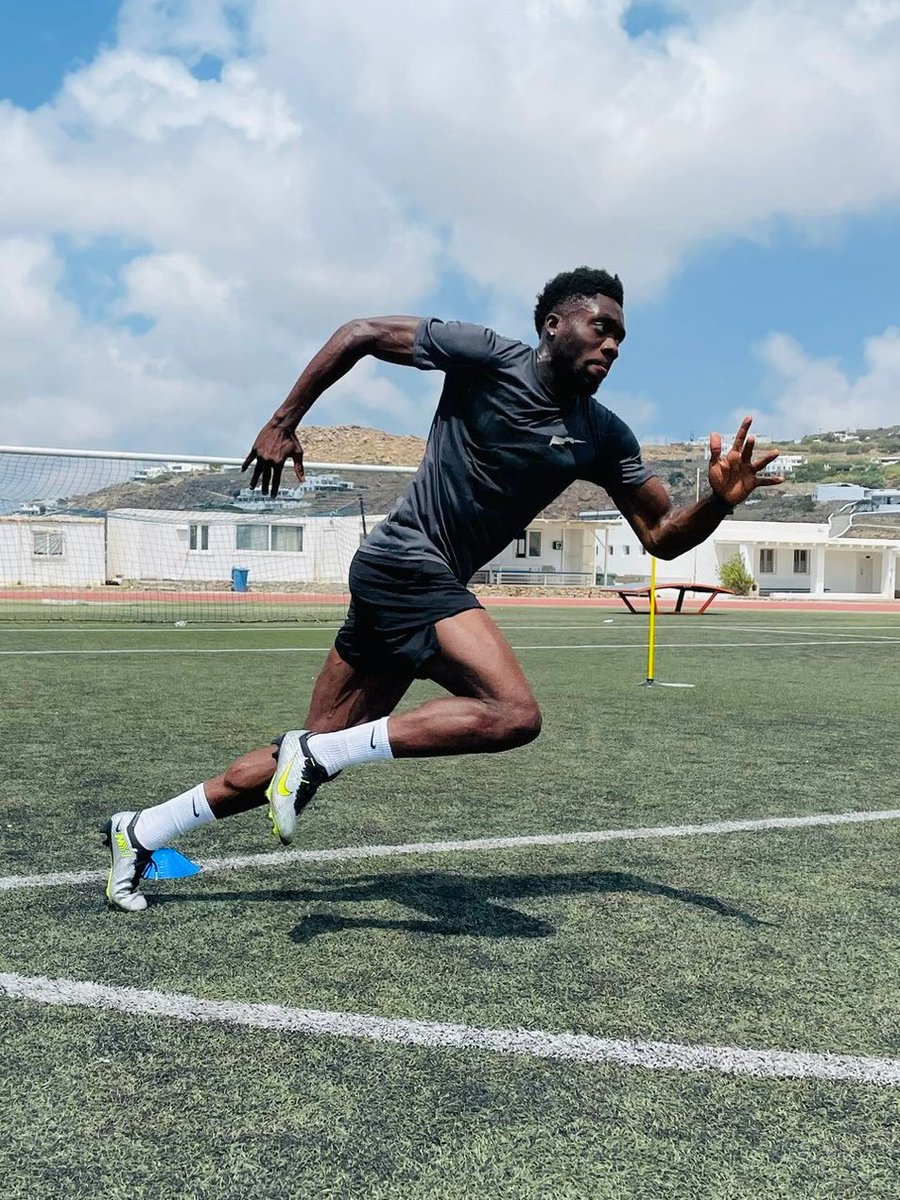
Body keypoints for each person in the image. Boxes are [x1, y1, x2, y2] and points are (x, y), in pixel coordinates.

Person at [103, 266, 781, 911]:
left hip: (406, 582)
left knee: (310, 751)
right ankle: (313, 758)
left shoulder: (602, 435)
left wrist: (719, 503)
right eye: (600, 327)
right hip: (406, 561)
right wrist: (285, 420)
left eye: (620, 339)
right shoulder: (486, 357)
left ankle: (141, 832)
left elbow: (661, 534)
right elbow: (361, 332)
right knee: (514, 714)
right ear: (553, 323)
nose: (611, 344)